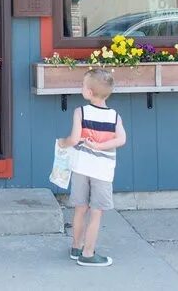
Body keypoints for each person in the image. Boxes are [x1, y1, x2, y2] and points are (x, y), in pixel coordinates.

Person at [57, 68, 127, 267]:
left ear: (89, 92)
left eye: (83, 85)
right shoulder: (115, 117)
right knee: (96, 212)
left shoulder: (80, 112)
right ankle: (88, 253)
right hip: (102, 171)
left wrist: (62, 142)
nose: (81, 88)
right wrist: (101, 146)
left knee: (80, 208)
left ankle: (77, 247)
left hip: (80, 167)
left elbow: (73, 139)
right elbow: (121, 139)